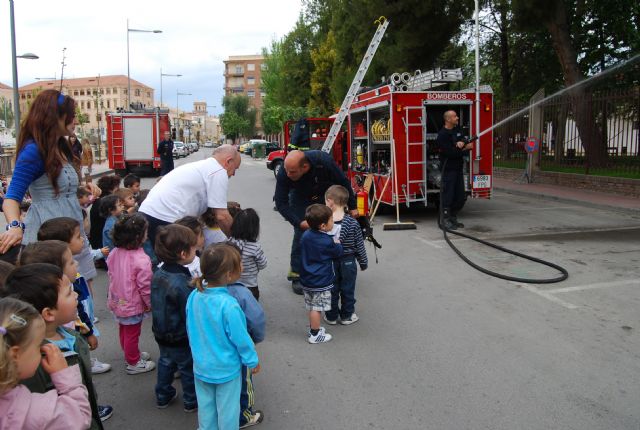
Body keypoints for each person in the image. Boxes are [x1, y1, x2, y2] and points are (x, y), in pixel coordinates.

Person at [1, 264, 110, 427]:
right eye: (68, 293)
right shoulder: (32, 369)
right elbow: (77, 419)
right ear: (49, 313)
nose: (76, 294)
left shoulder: (68, 334)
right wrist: (64, 376)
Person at [0, 89, 101, 253]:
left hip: (72, 230)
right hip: (49, 236)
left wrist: (82, 188)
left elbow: (59, 187)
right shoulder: (33, 151)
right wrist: (14, 226)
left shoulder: (62, 146)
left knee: (81, 278)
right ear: (55, 116)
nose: (76, 120)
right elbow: (11, 198)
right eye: (71, 115)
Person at [186, 243, 260, 430]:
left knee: (206, 409)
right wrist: (252, 360)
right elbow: (241, 339)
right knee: (228, 413)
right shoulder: (229, 305)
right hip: (226, 369)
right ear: (228, 274)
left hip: (201, 365)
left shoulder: (194, 295)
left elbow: (190, 326)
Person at [0, 297, 92, 430]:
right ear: (15, 355)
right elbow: (80, 417)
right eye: (38, 346)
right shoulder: (36, 412)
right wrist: (65, 377)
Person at [274, 149, 357, 294]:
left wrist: (353, 206)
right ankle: (296, 274)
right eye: (286, 170)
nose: (287, 174)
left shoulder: (324, 162)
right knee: (302, 233)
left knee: (330, 229)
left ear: (305, 167)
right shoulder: (285, 171)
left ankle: (330, 268)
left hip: (322, 195)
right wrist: (299, 222)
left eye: (292, 172)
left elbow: (343, 183)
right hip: (300, 198)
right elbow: (281, 203)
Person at [36, 217, 111, 374]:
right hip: (76, 329)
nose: (82, 239)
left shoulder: (65, 272)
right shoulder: (62, 286)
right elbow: (77, 314)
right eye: (78, 236)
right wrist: (89, 332)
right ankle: (84, 363)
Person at [139, 144, 241, 246]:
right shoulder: (218, 171)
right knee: (188, 258)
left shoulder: (201, 166)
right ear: (228, 161)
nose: (233, 174)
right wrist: (237, 241)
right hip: (166, 219)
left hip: (147, 213)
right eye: (235, 168)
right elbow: (222, 216)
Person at [151, 224, 198, 413]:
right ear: (183, 253)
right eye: (194, 248)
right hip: (179, 335)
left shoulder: (159, 273)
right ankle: (191, 400)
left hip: (160, 331)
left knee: (165, 361)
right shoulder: (182, 283)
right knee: (187, 367)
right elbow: (189, 312)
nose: (197, 251)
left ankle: (162, 394)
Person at [106, 213, 155, 375]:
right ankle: (133, 361)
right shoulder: (141, 259)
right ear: (139, 236)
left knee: (124, 328)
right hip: (132, 302)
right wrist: (150, 304)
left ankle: (130, 353)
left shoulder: (115, 252)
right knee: (133, 331)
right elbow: (145, 286)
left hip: (118, 299)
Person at [323, 185, 368, 325]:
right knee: (348, 288)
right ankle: (347, 316)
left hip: (329, 262)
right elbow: (359, 244)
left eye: (325, 201)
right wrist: (363, 261)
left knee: (332, 288)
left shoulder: (324, 223)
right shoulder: (353, 223)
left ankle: (331, 316)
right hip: (348, 260)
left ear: (330, 201)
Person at [299, 204, 343, 344]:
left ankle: (314, 328)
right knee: (317, 309)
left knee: (312, 306)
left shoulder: (306, 235)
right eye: (331, 220)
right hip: (320, 279)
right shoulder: (326, 241)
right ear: (323, 226)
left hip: (307, 277)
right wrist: (337, 241)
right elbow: (337, 252)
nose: (333, 222)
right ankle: (315, 334)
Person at [436, 110, 473, 230]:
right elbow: (450, 153)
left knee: (460, 196)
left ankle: (453, 218)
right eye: (454, 116)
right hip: (448, 170)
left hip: (458, 169)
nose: (457, 118)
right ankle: (445, 219)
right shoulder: (442, 135)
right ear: (448, 119)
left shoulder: (458, 130)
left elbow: (470, 146)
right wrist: (461, 149)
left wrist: (462, 146)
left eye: (457, 116)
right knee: (448, 195)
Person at [227, 208, 267, 301]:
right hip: (250, 286)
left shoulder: (229, 243)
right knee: (250, 311)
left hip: (230, 284)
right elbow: (263, 264)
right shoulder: (255, 247)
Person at [88, 174, 120, 250]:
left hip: (98, 240)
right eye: (117, 188)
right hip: (102, 243)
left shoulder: (100, 200)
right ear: (110, 189)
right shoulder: (105, 203)